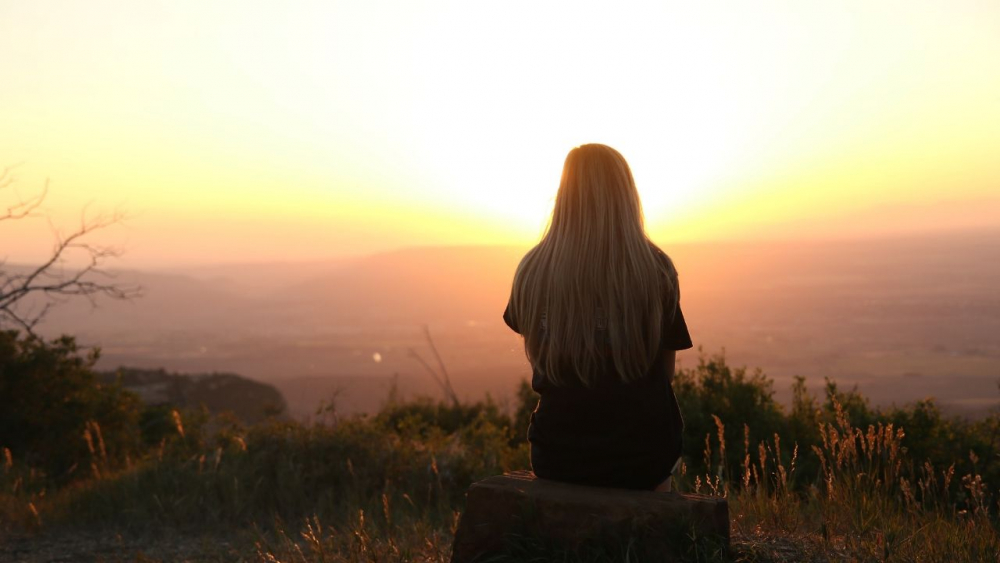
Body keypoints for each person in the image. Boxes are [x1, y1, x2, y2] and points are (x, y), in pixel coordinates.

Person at [503, 143, 692, 491]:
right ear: (626, 196)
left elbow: (540, 359)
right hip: (643, 458)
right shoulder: (657, 271)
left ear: (564, 195)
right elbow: (665, 374)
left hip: (558, 456)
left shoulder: (532, 271)